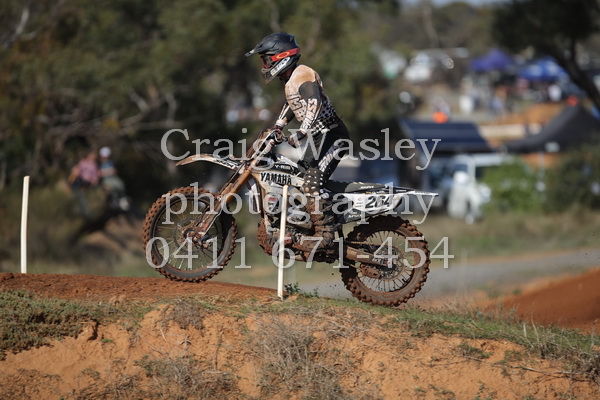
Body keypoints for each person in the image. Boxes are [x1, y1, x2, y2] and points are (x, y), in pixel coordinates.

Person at [246, 32, 351, 252]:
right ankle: (303, 226)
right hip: (319, 139)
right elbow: (292, 105)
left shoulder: (303, 74)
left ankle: (325, 235)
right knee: (298, 177)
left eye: (266, 60)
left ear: (281, 57)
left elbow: (314, 102)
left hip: (333, 136)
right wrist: (277, 127)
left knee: (311, 183)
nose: (264, 65)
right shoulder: (290, 81)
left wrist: (302, 131)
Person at [68, 150, 100, 219]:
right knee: (78, 196)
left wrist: (94, 180)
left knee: (82, 196)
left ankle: (87, 213)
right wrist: (75, 173)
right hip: (80, 182)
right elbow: (76, 171)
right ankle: (83, 213)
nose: (93, 157)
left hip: (87, 183)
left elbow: (96, 176)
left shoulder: (94, 165)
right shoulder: (82, 163)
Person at [99, 146, 129, 211]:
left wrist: (107, 172)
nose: (106, 158)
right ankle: (115, 203)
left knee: (120, 185)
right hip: (106, 180)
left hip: (113, 178)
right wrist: (109, 172)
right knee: (113, 189)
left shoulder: (111, 162)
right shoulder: (100, 164)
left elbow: (114, 171)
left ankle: (122, 200)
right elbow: (100, 173)